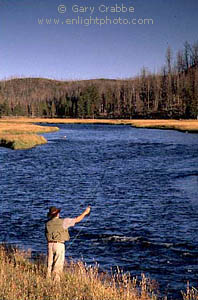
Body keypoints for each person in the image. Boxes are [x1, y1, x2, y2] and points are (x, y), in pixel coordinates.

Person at [45, 205, 91, 282]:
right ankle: (56, 282)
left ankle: (47, 279)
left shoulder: (47, 223)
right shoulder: (64, 222)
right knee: (58, 265)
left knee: (49, 264)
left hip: (49, 245)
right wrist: (85, 212)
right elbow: (77, 219)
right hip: (59, 245)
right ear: (57, 214)